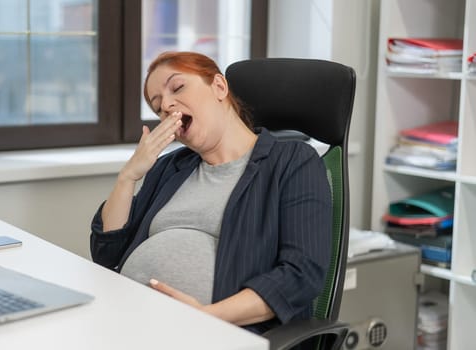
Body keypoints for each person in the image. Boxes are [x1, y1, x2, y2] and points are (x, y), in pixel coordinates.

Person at [90, 51, 332, 334]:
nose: (167, 106)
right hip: (127, 319)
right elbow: (108, 254)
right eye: (157, 107)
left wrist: (206, 316)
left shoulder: (291, 161)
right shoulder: (171, 167)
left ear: (219, 86)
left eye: (177, 87)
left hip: (216, 332)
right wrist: (128, 176)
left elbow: (300, 274)